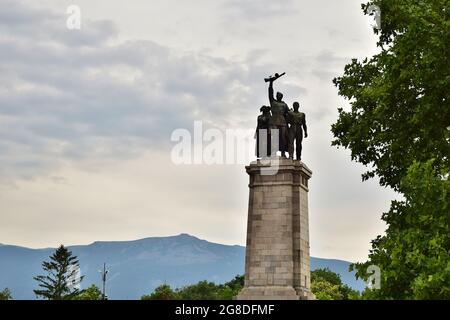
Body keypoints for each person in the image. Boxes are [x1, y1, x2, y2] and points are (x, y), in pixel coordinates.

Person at [268, 79, 289, 157]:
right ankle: (273, 153)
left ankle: (283, 153)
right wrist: (271, 83)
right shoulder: (273, 102)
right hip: (273, 121)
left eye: (279, 95)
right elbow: (270, 93)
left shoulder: (284, 104)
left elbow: (288, 113)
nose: (277, 96)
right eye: (277, 95)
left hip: (282, 122)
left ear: (281, 96)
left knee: (283, 138)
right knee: (274, 138)